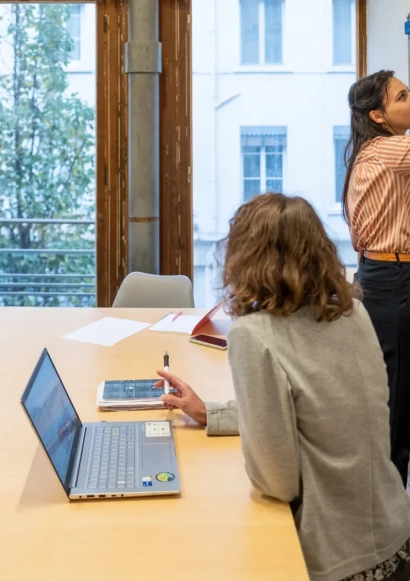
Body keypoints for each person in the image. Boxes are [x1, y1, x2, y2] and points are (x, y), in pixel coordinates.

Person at [156, 194, 410, 581]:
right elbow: (320, 412)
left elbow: (278, 481)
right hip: (395, 536)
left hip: (335, 557)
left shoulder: (254, 336)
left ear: (244, 257)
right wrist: (210, 412)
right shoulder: (352, 313)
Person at [342, 70, 410, 487]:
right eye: (402, 97)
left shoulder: (377, 152)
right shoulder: (388, 151)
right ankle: (392, 529)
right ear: (379, 115)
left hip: (384, 274)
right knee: (396, 399)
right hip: (392, 278)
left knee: (397, 397)